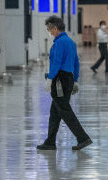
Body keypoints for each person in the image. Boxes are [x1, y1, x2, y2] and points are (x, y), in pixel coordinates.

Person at [37, 16, 93, 153]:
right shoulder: (70, 42)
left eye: (49, 29)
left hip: (59, 81)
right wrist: (75, 80)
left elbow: (56, 63)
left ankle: (83, 138)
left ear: (55, 28)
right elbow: (76, 63)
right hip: (68, 79)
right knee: (55, 112)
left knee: (65, 111)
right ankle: (50, 142)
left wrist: (50, 79)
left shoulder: (60, 43)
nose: (49, 32)